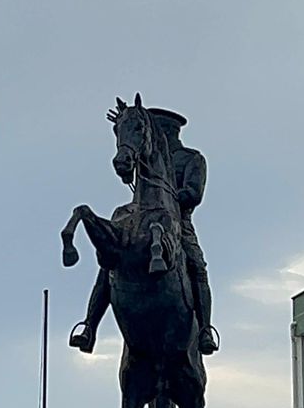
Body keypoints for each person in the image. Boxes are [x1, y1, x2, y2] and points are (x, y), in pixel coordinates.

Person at [69, 107, 216, 355]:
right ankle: (89, 327)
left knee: (197, 267)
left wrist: (167, 199)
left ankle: (205, 330)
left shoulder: (192, 158)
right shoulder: (147, 154)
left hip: (179, 221)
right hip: (141, 216)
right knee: (109, 266)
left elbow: (194, 193)